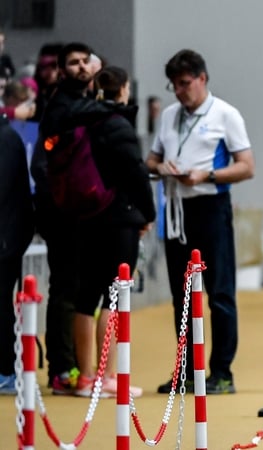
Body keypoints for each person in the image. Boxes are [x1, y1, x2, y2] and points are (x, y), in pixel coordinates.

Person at [146, 49, 255, 395]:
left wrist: (205, 175)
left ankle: (222, 372)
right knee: (181, 296)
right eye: (174, 85)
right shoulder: (169, 116)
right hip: (177, 210)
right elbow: (151, 160)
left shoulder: (225, 114)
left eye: (184, 83)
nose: (179, 91)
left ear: (202, 78)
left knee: (219, 292)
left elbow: (246, 167)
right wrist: (161, 168)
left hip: (211, 206)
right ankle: (187, 372)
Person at [65, 66, 155, 397]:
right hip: (119, 218)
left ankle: (84, 376)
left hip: (86, 216)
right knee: (114, 295)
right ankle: (106, 376)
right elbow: (136, 173)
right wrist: (148, 214)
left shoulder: (81, 120)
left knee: (85, 297)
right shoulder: (118, 125)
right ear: (124, 90)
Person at [30, 42, 97, 394]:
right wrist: (62, 201)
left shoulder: (88, 103)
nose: (82, 67)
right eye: (74, 62)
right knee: (66, 289)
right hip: (63, 215)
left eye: (86, 61)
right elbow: (42, 164)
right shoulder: (60, 107)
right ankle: (62, 369)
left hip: (87, 214)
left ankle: (80, 367)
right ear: (61, 70)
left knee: (81, 289)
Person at [0, 111, 35, 395]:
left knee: (1, 305)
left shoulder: (6, 139)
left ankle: (6, 371)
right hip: (8, 237)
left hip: (5, 242)